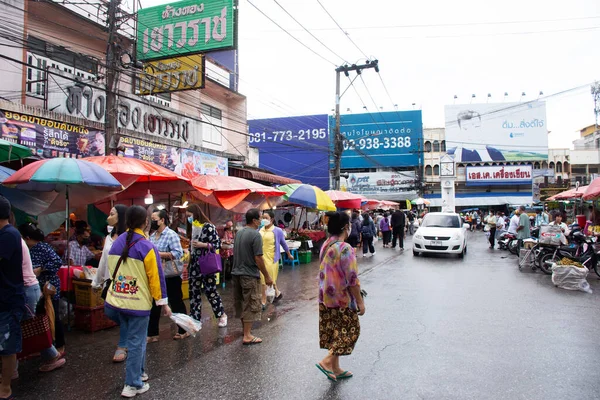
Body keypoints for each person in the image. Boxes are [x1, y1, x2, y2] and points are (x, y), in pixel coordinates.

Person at [104, 205, 171, 398]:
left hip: (116, 302)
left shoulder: (116, 243)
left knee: (137, 340)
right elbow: (156, 278)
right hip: (138, 304)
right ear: (146, 222)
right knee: (136, 342)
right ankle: (132, 384)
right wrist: (163, 302)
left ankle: (140, 372)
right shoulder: (147, 247)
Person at [315, 211, 365, 382]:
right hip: (342, 299)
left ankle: (335, 367)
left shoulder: (327, 244)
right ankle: (327, 362)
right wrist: (360, 302)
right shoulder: (345, 248)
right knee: (351, 331)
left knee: (336, 333)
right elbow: (352, 279)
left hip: (325, 298)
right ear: (346, 227)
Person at [17, 220, 66, 373]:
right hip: (37, 288)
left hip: (49, 288)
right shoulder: (28, 249)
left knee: (53, 316)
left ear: (27, 237)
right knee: (41, 319)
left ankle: (59, 345)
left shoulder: (43, 247)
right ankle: (46, 346)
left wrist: (41, 269)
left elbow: (57, 261)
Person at [92, 205, 128, 362]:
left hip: (125, 281)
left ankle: (122, 345)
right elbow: (103, 261)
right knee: (109, 311)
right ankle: (132, 329)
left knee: (121, 313)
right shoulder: (108, 237)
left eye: (112, 214)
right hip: (109, 281)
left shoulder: (128, 236)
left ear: (120, 217)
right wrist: (96, 281)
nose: (108, 216)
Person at [231, 209, 273, 345]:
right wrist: (267, 276)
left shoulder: (239, 233)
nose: (262, 221)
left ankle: (245, 331)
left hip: (236, 273)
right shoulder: (256, 235)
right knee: (250, 304)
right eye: (260, 218)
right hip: (249, 274)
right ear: (254, 221)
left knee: (242, 303)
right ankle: (247, 335)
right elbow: (258, 258)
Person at [148, 209, 187, 342]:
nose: (152, 222)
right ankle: (152, 334)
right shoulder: (152, 236)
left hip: (171, 276)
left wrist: (159, 254)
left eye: (155, 219)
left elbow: (178, 253)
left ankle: (183, 329)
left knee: (176, 303)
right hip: (156, 275)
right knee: (154, 305)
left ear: (162, 220)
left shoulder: (171, 235)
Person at [186, 204, 228, 328]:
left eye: (190, 216)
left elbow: (217, 244)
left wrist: (202, 245)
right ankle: (195, 318)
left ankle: (221, 315)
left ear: (196, 214)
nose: (189, 219)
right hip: (194, 264)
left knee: (210, 291)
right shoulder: (192, 228)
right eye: (187, 217)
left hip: (207, 263)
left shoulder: (208, 227)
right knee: (193, 292)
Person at [0, 197, 25, 400]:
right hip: (6, 298)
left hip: (7, 299)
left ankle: (5, 387)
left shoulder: (8, 235)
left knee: (6, 346)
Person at [259, 210, 292, 308]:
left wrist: (289, 254)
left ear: (272, 219)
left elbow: (283, 243)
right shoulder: (260, 230)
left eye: (266, 218)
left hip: (272, 258)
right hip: (261, 257)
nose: (264, 220)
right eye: (263, 218)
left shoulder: (277, 230)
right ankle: (277, 293)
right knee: (265, 277)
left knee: (265, 279)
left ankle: (264, 300)